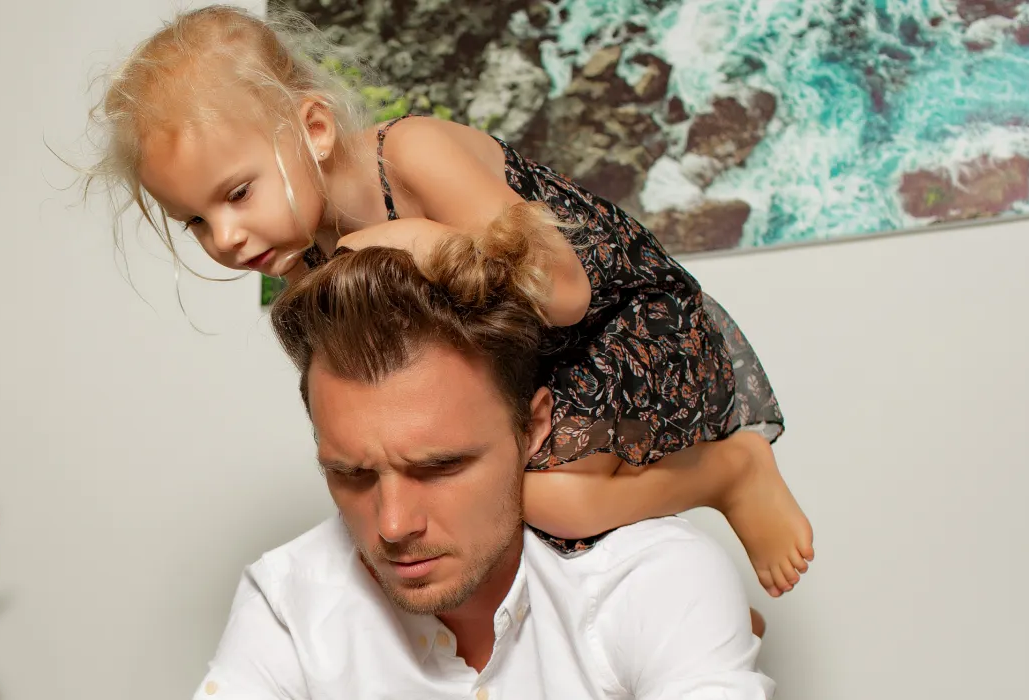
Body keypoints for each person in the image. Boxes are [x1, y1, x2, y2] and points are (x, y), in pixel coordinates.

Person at [82, 5, 811, 597]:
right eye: (196, 221)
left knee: (550, 502)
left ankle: (730, 472)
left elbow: (566, 295)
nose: (226, 238)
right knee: (484, 516)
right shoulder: (306, 253)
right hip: (528, 368)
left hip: (617, 324)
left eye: (238, 193)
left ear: (313, 128)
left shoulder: (411, 156)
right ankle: (687, 615)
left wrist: (426, 240)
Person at [192, 244, 772, 699]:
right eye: (352, 474)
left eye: (440, 466)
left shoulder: (652, 579)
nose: (393, 525)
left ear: (533, 427)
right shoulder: (289, 600)